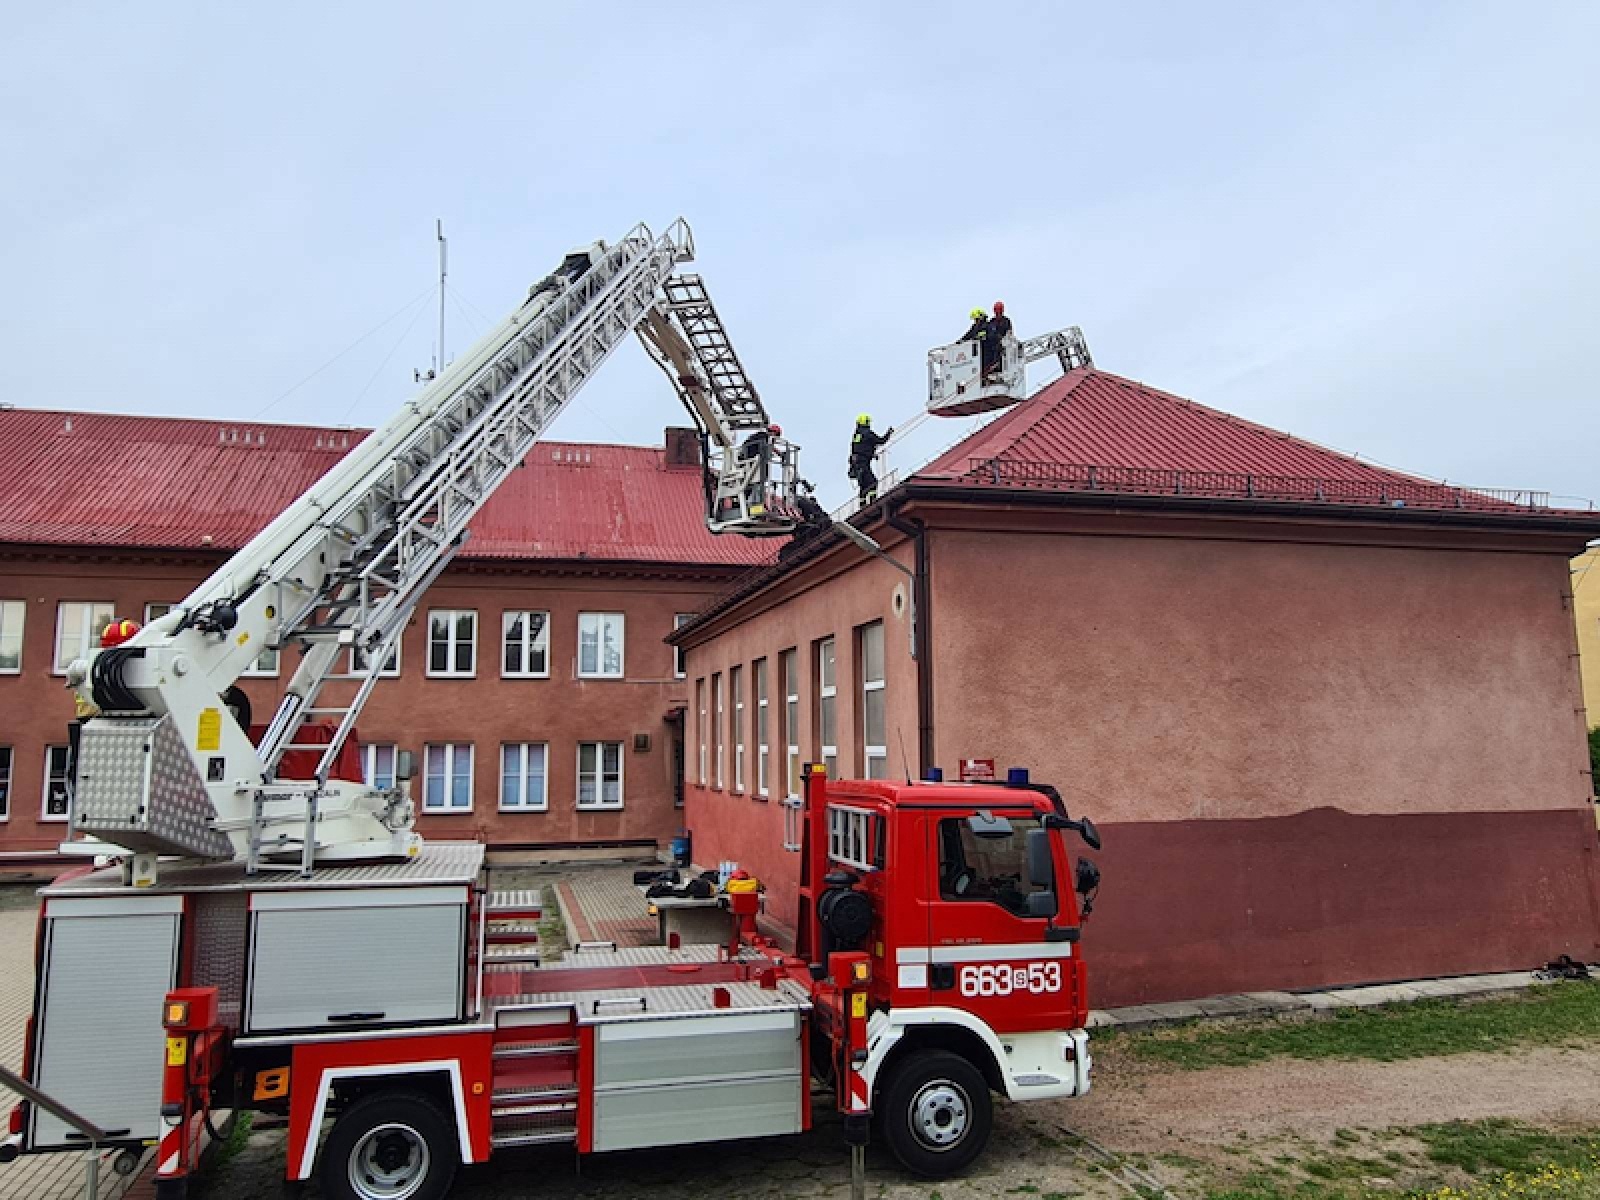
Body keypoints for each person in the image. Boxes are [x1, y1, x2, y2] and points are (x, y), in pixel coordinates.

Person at [848, 414, 893, 505]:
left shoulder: (857, 435)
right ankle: (873, 502)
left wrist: (871, 454)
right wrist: (889, 432)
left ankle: (863, 504)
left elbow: (860, 448)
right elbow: (881, 441)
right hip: (863, 463)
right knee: (873, 482)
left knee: (864, 485)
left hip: (857, 464)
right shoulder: (868, 434)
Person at [983, 300, 1013, 380]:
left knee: (999, 351)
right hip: (992, 343)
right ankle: (988, 367)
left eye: (999, 312)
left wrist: (1004, 339)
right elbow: (987, 331)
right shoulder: (992, 322)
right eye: (996, 312)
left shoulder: (1006, 321)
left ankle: (997, 366)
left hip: (1001, 343)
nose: (998, 314)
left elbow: (1009, 333)